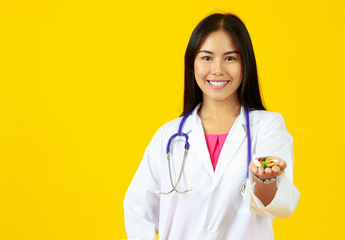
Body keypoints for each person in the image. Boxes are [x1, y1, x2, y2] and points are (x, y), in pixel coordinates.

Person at [123, 13, 300, 240]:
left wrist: (264, 180)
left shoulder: (266, 127)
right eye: (206, 58)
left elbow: (278, 206)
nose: (217, 70)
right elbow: (138, 209)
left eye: (230, 58)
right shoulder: (169, 136)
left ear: (246, 64)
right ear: (192, 64)